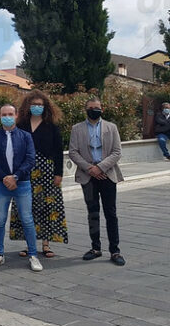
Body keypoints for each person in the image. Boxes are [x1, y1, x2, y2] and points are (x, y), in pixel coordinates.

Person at [0, 104, 43, 272]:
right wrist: (4, 177)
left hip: (22, 183)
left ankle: (33, 255)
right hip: (0, 184)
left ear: (16, 115)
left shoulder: (25, 136)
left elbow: (30, 159)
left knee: (27, 219)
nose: (7, 117)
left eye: (10, 114)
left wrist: (16, 176)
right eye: (4, 114)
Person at [10, 90, 67, 258]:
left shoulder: (52, 126)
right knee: (27, 207)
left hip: (47, 171)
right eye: (34, 104)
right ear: (28, 106)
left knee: (47, 207)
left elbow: (58, 151)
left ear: (45, 107)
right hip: (25, 171)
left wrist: (59, 173)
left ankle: (46, 244)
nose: (37, 107)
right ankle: (30, 244)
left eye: (40, 105)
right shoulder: (21, 125)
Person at [69, 96, 125, 266]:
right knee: (92, 213)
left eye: (97, 107)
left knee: (111, 213)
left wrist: (100, 167)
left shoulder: (111, 127)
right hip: (88, 176)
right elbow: (73, 152)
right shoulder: (77, 129)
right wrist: (90, 168)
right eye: (91, 107)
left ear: (102, 109)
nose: (94, 110)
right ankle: (95, 248)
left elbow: (117, 152)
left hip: (107, 175)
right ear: (86, 109)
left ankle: (115, 250)